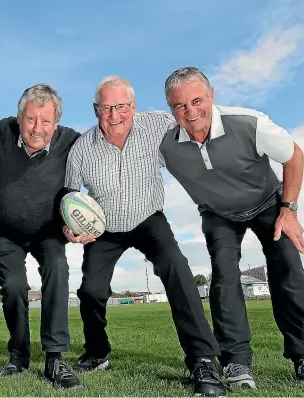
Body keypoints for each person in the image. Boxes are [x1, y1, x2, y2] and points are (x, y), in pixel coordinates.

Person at [160, 66, 304, 390]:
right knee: (224, 277)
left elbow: (294, 156)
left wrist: (289, 210)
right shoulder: (166, 144)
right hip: (218, 213)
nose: (190, 111)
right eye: (179, 105)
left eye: (196, 100)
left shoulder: (249, 122)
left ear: (211, 96)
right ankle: (235, 362)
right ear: (170, 108)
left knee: (288, 268)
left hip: (268, 202)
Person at [63, 76, 228, 397]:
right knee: (91, 291)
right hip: (104, 228)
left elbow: (194, 121)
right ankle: (97, 352)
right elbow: (69, 195)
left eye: (122, 106)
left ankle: (202, 359)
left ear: (133, 107)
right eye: (107, 108)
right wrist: (69, 225)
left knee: (178, 273)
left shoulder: (158, 125)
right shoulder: (81, 148)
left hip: (149, 218)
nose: (115, 115)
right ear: (96, 109)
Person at [0, 84, 82, 389]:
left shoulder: (72, 141)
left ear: (56, 121)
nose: (37, 128)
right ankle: (18, 355)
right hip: (5, 232)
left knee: (58, 267)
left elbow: (91, 176)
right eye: (30, 119)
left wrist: (80, 222)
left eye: (45, 121)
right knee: (14, 285)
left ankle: (55, 359)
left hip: (48, 231)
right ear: (19, 116)